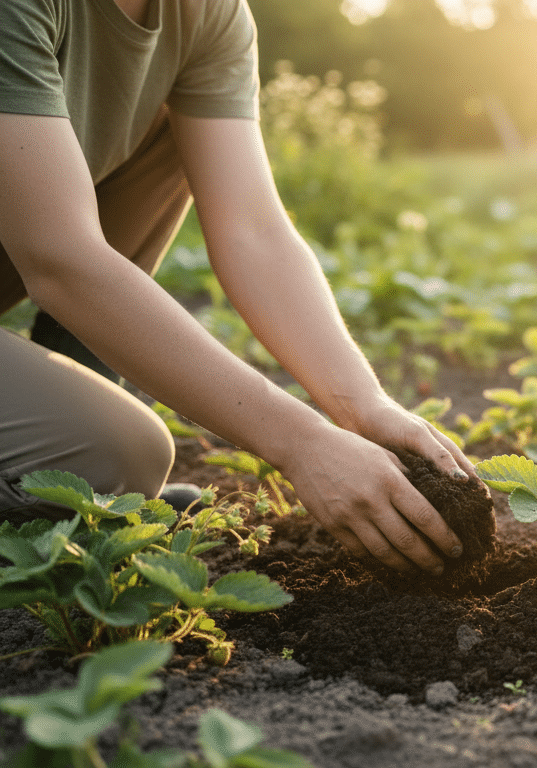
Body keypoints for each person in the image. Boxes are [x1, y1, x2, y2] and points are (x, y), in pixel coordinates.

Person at [0, 0, 475, 575]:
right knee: (122, 451)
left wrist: (360, 403)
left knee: (181, 125)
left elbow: (254, 230)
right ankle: (73, 474)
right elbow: (59, 257)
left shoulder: (207, 12)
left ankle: (85, 454)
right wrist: (301, 442)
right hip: (46, 258)